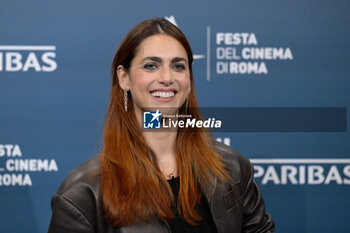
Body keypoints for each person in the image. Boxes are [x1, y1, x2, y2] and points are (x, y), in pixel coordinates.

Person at [48, 18, 274, 233]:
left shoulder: (232, 168)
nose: (167, 77)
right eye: (151, 66)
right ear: (123, 77)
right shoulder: (82, 195)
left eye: (178, 66)